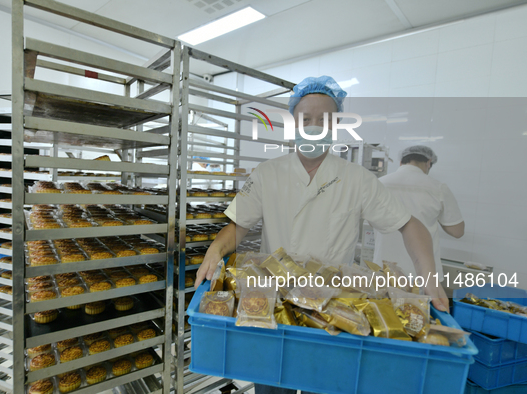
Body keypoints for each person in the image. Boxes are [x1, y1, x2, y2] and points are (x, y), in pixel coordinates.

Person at [193, 76, 449, 393]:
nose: (314, 127)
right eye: (305, 119)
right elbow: (237, 225)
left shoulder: (357, 179)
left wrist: (429, 275)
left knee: (324, 384)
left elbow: (410, 225)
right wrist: (215, 249)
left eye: (324, 119)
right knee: (273, 385)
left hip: (333, 314)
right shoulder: (267, 173)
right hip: (274, 307)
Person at [373, 145, 465, 282]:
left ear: (401, 162)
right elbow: (457, 231)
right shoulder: (437, 187)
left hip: (384, 270)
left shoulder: (379, 183)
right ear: (428, 162)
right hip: (422, 274)